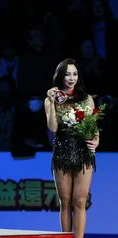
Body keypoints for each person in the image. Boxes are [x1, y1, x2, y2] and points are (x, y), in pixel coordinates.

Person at [44, 58, 99, 238]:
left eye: (74, 74)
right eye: (67, 74)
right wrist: (52, 103)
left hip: (83, 152)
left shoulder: (87, 99)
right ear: (60, 76)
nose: (71, 78)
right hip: (62, 152)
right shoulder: (51, 99)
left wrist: (96, 141)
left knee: (80, 201)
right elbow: (53, 128)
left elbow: (93, 127)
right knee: (65, 202)